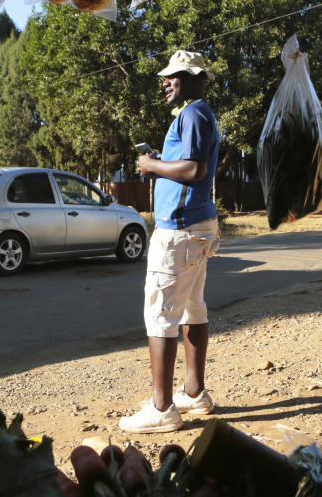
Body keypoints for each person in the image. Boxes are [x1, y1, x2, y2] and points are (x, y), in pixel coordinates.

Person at [119, 50, 221, 434]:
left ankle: (162, 409)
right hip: (196, 225)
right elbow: (190, 164)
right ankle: (194, 394)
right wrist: (162, 161)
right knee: (193, 307)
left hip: (180, 229)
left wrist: (150, 166)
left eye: (173, 76)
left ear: (193, 78)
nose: (165, 81)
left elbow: (195, 169)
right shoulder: (198, 114)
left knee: (159, 313)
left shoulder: (193, 112)